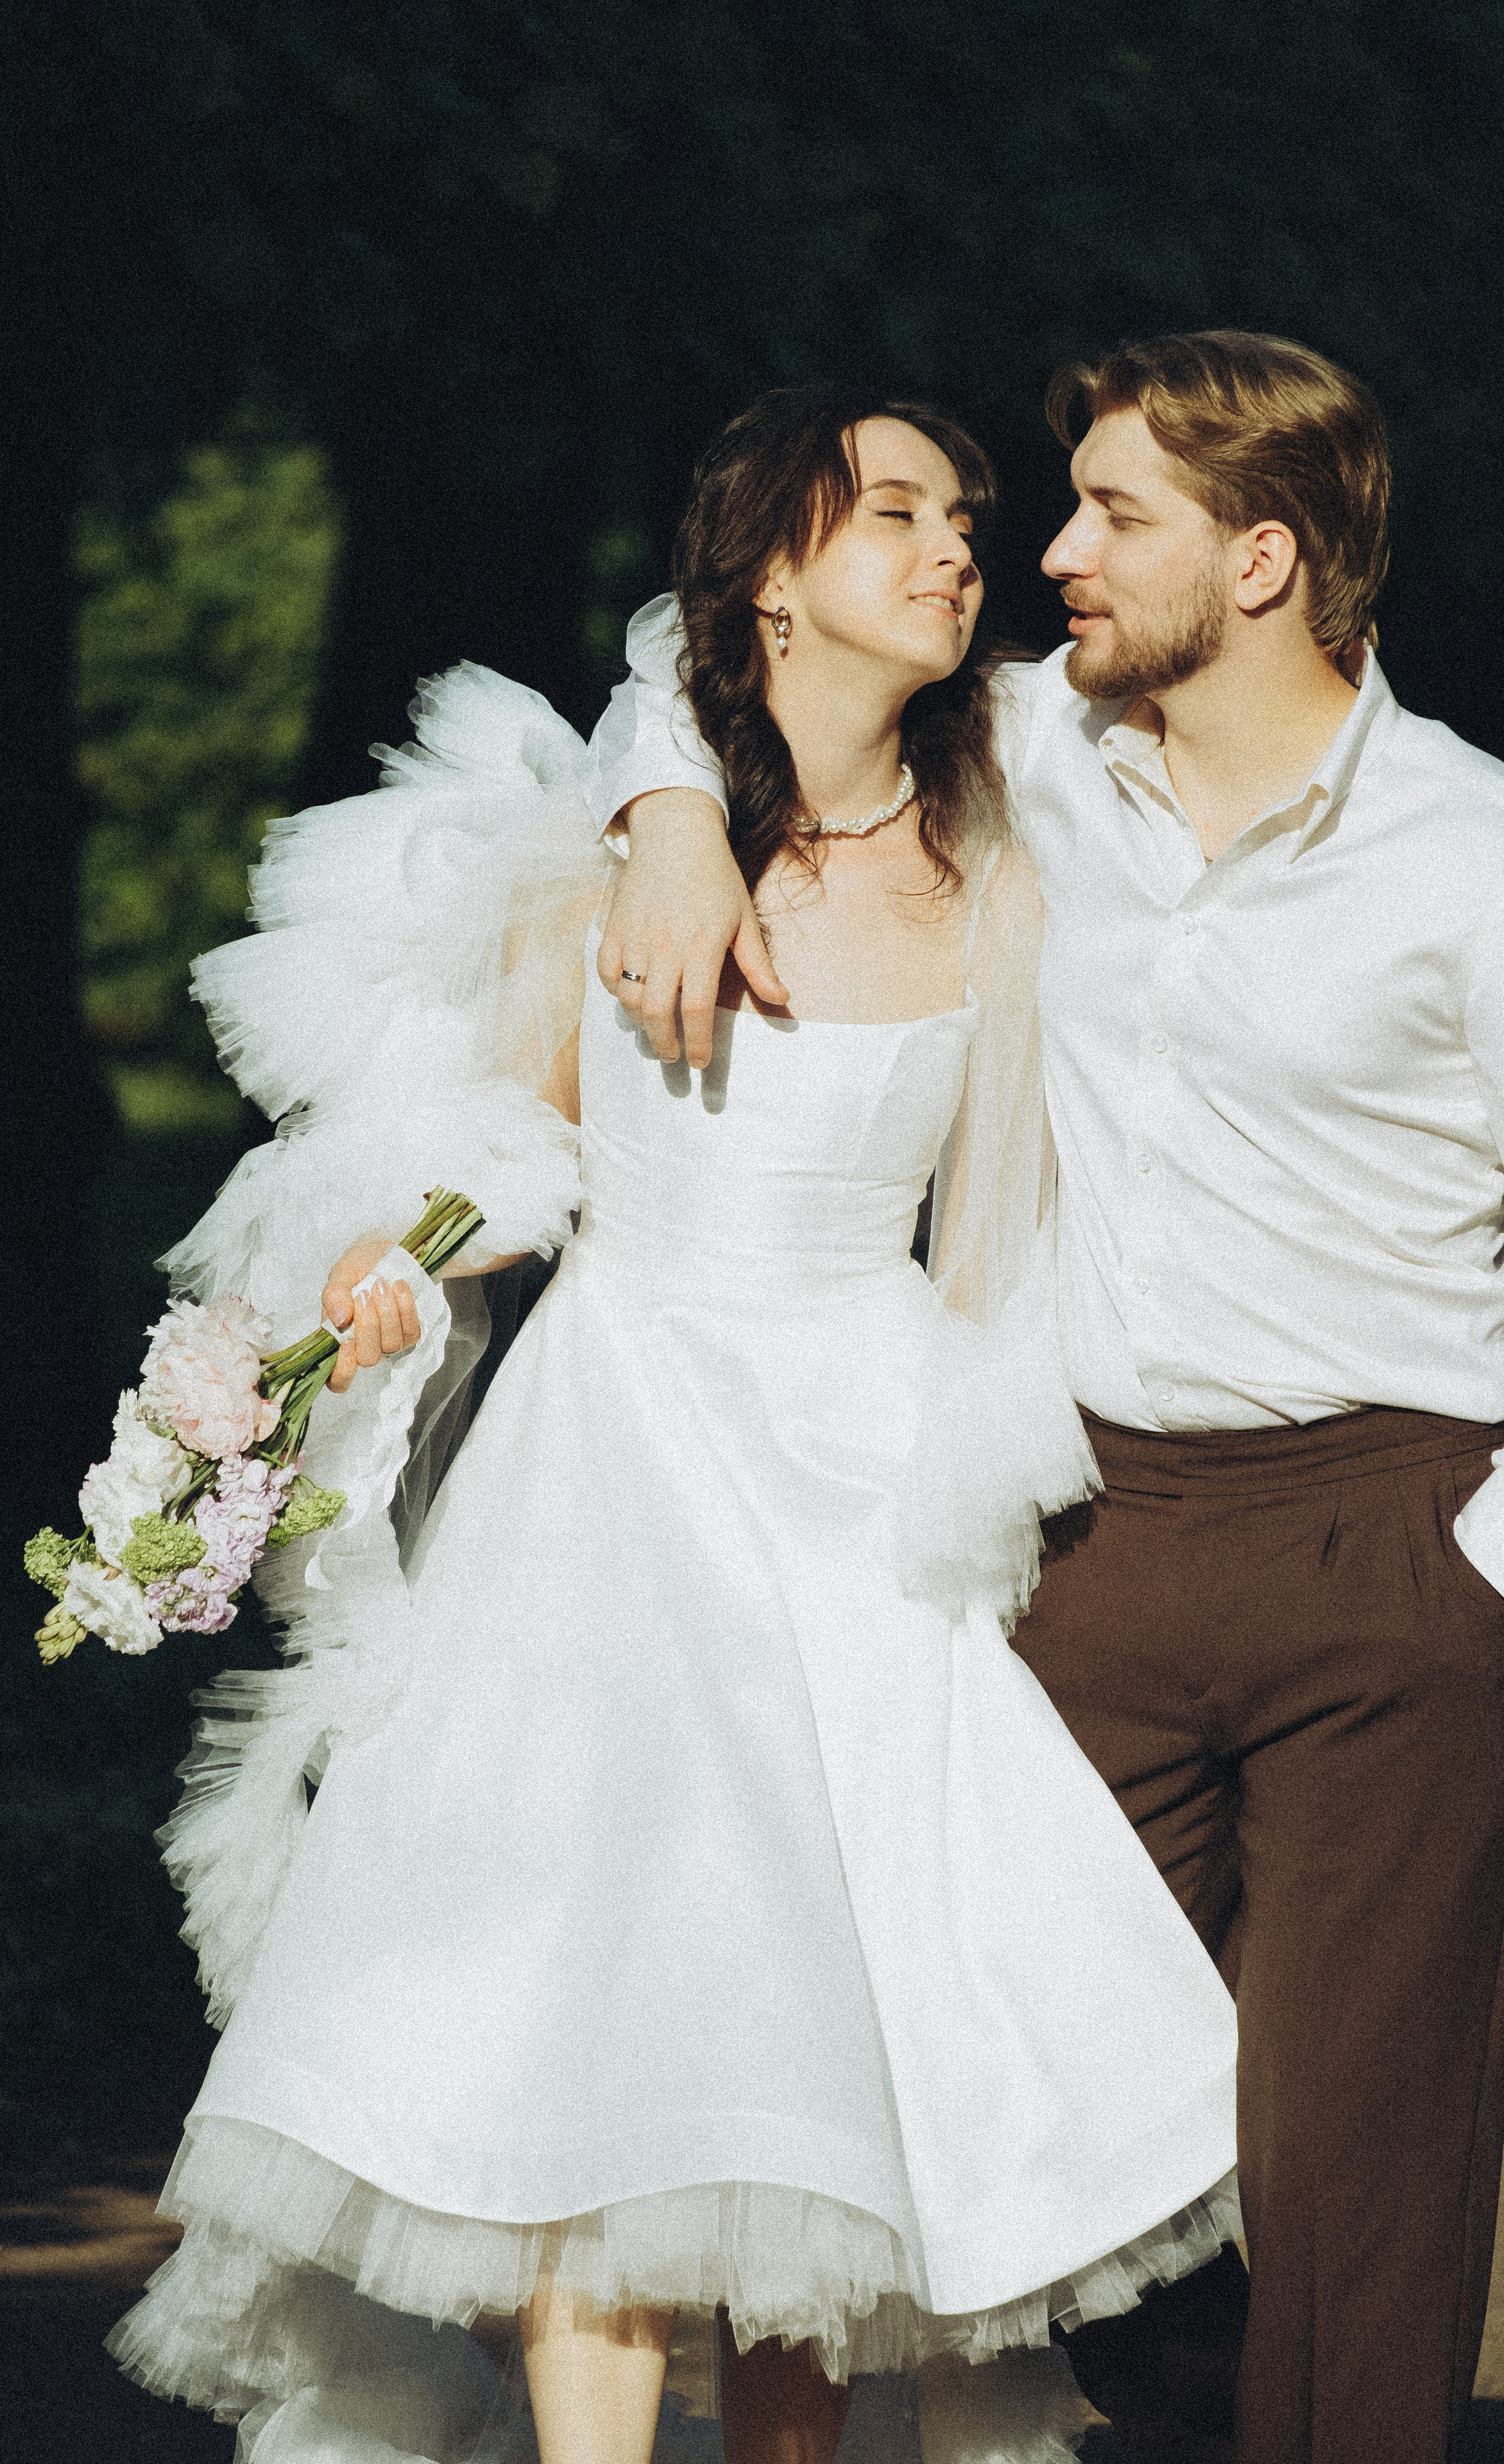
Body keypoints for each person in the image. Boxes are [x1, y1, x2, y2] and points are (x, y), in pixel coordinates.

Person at [110, 388, 1241, 2464]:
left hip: (863, 1476)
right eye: (894, 511)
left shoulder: (1011, 851)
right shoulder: (619, 859)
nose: (957, 547)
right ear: (773, 578)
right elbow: (507, 1150)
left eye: (967, 516)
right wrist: (394, 1268)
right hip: (616, 1469)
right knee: (605, 2023)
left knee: (810, 2046)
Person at [589, 330, 1504, 2464]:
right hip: (1087, 1536)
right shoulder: (1034, 751)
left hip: (1393, 1540)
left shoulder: (1470, 851)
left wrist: (1481, 1563)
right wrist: (669, 816)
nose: (1053, 557)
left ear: (1259, 562)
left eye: (1111, 517)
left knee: (1356, 2168)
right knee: (1014, 2096)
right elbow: (713, 640)